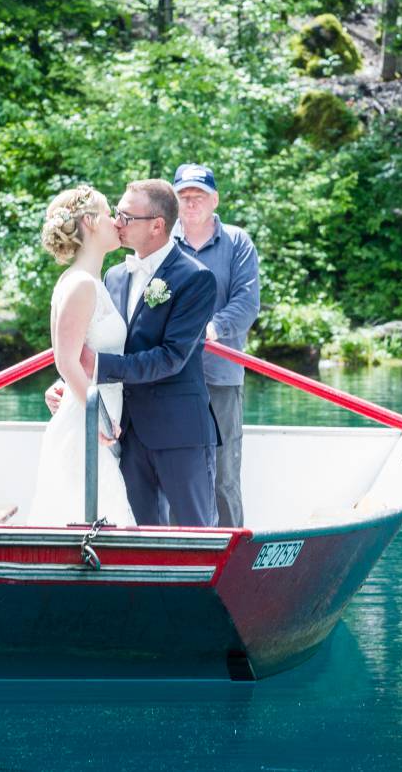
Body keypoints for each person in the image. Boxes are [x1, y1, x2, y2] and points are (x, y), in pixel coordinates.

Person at [82, 179, 220, 527]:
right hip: (127, 432)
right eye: (116, 214)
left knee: (196, 535)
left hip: (180, 433)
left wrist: (97, 367)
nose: (116, 223)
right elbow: (101, 341)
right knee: (138, 535)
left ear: (158, 225)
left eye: (126, 216)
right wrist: (74, 383)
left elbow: (171, 358)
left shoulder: (196, 279)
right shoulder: (113, 276)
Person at [28, 186, 136, 527]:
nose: (117, 220)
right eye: (108, 213)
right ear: (89, 221)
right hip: (87, 423)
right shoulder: (80, 285)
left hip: (98, 416)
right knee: (88, 517)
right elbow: (66, 360)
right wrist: (100, 419)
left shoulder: (91, 281)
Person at [171, 162, 260, 528]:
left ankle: (231, 550)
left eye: (199, 196)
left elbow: (246, 302)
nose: (191, 203)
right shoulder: (162, 240)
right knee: (175, 471)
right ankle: (175, 552)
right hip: (171, 378)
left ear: (215, 199)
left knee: (224, 476)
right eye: (184, 196)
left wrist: (211, 329)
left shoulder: (237, 241)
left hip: (221, 375)